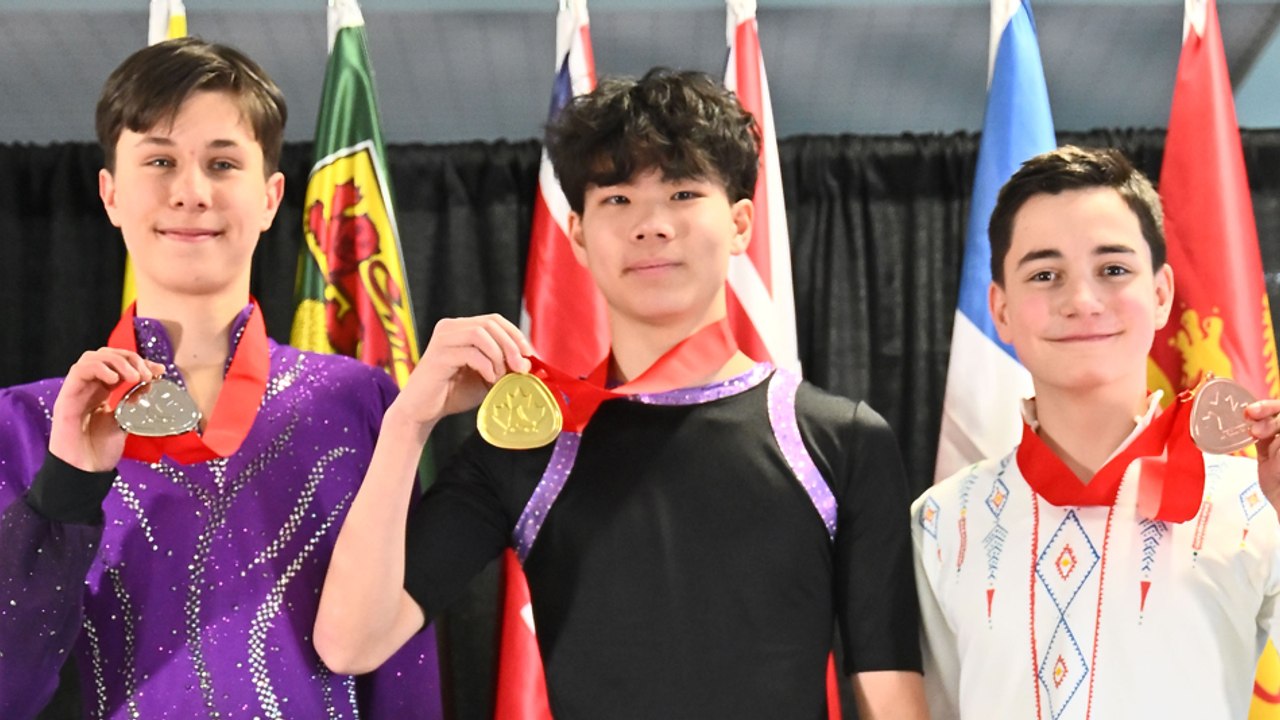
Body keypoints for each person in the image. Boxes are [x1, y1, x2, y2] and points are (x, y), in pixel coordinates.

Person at [315, 68, 927, 719]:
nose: (651, 225)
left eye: (683, 192)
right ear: (578, 234)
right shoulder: (531, 449)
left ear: (741, 223)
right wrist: (410, 421)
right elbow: (351, 643)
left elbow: (890, 691)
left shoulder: (840, 441)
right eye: (617, 199)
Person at [0, 38, 439, 719]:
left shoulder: (361, 402)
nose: (191, 192)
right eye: (160, 161)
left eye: (222, 163)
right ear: (110, 194)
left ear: (270, 197)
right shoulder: (26, 425)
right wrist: (66, 486)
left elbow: (401, 663)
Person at [913, 145, 1280, 718]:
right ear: (1001, 310)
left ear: (1160, 295)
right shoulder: (942, 522)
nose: (1082, 301)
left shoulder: (1256, 502)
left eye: (1113, 270)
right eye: (1045, 275)